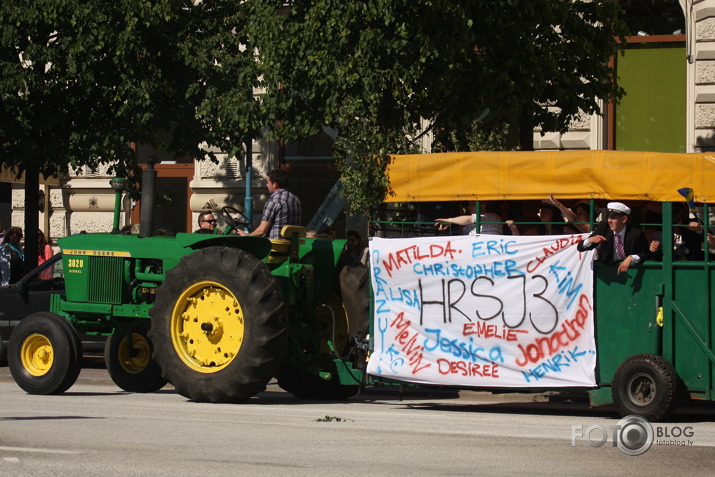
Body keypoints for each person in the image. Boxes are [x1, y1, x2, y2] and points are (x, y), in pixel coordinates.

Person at [576, 202, 646, 274]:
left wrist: (631, 257)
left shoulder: (636, 233)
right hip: (608, 271)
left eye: (613, 218)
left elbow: (645, 254)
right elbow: (580, 247)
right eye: (608, 217)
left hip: (631, 271)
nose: (609, 221)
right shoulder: (604, 226)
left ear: (624, 219)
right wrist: (589, 240)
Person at [237, 169, 302, 239]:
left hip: (274, 245)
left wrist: (246, 236)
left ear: (274, 184)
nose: (266, 185)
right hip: (292, 245)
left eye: (268, 182)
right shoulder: (296, 200)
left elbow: (262, 230)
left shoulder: (274, 201)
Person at [436, 202, 502, 235]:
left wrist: (450, 220)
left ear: (483, 205)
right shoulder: (468, 223)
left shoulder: (492, 217)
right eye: (469, 204)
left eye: (473, 203)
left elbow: (469, 219)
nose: (469, 206)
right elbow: (462, 234)